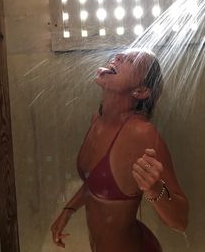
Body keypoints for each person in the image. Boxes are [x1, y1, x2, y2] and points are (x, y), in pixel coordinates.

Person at [51, 48, 189, 252]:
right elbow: (95, 183)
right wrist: (68, 210)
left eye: (130, 60)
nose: (118, 57)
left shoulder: (142, 134)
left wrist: (154, 189)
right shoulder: (97, 121)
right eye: (120, 55)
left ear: (140, 91)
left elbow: (180, 221)